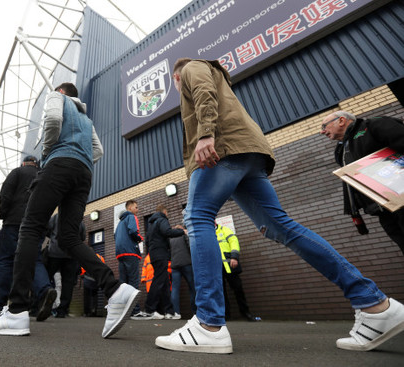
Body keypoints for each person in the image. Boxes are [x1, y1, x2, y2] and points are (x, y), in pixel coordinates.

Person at [154, 58, 404, 354]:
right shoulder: (217, 76)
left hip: (223, 150)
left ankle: (209, 324)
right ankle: (375, 305)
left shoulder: (190, 67)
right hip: (249, 153)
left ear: (176, 76)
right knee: (281, 227)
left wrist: (205, 134)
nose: (177, 87)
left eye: (174, 83)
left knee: (197, 218)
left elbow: (204, 93)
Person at [0, 82, 139, 338]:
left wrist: (50, 153)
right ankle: (116, 289)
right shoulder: (86, 119)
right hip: (84, 173)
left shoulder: (57, 98)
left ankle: (17, 311)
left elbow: (52, 119)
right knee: (69, 237)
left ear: (62, 92)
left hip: (58, 164)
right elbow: (99, 150)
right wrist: (78, 157)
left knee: (30, 228)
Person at [320, 111, 404, 255]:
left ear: (341, 120)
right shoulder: (340, 150)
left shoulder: (373, 125)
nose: (322, 132)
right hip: (383, 210)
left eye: (324, 126)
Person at [0, 156, 56, 321]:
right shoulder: (44, 175)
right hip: (37, 224)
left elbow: (5, 194)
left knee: (5, 261)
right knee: (35, 259)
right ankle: (45, 290)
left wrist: (4, 215)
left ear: (23, 163)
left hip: (14, 221)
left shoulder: (16, 172)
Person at [132, 205, 185, 320]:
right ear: (164, 212)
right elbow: (167, 231)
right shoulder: (162, 220)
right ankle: (149, 309)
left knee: (165, 282)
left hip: (154, 255)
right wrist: (182, 231)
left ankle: (169, 311)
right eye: (167, 213)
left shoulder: (151, 224)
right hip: (161, 254)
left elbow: (146, 241)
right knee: (158, 280)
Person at [215, 224, 260, 322]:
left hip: (231, 265)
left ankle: (246, 313)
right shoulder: (208, 234)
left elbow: (234, 242)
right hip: (216, 268)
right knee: (221, 292)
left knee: (238, 290)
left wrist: (234, 257)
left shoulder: (225, 230)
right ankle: (226, 316)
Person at [45, 213, 83, 318]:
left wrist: (54, 237)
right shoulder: (78, 218)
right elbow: (82, 236)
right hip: (71, 253)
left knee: (47, 277)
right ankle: (62, 310)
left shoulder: (57, 216)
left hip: (55, 251)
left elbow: (48, 229)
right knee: (68, 283)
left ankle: (40, 304)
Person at [115, 199, 143, 316]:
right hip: (131, 253)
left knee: (123, 283)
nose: (137, 209)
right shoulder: (132, 217)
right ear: (130, 208)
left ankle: (123, 311)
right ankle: (135, 311)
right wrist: (140, 238)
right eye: (136, 207)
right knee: (133, 282)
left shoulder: (119, 223)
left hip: (120, 254)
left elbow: (115, 236)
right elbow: (133, 231)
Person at [169, 229, 196, 319]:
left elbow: (168, 252)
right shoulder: (184, 236)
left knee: (175, 288)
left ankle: (176, 313)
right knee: (192, 287)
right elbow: (190, 246)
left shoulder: (170, 238)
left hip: (175, 265)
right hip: (186, 263)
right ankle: (195, 312)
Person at [81, 252, 105, 317]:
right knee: (95, 296)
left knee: (87, 296)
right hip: (96, 280)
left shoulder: (87, 256)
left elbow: (83, 268)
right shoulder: (101, 257)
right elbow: (103, 268)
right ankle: (94, 311)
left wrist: (82, 275)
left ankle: (87, 312)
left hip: (87, 278)